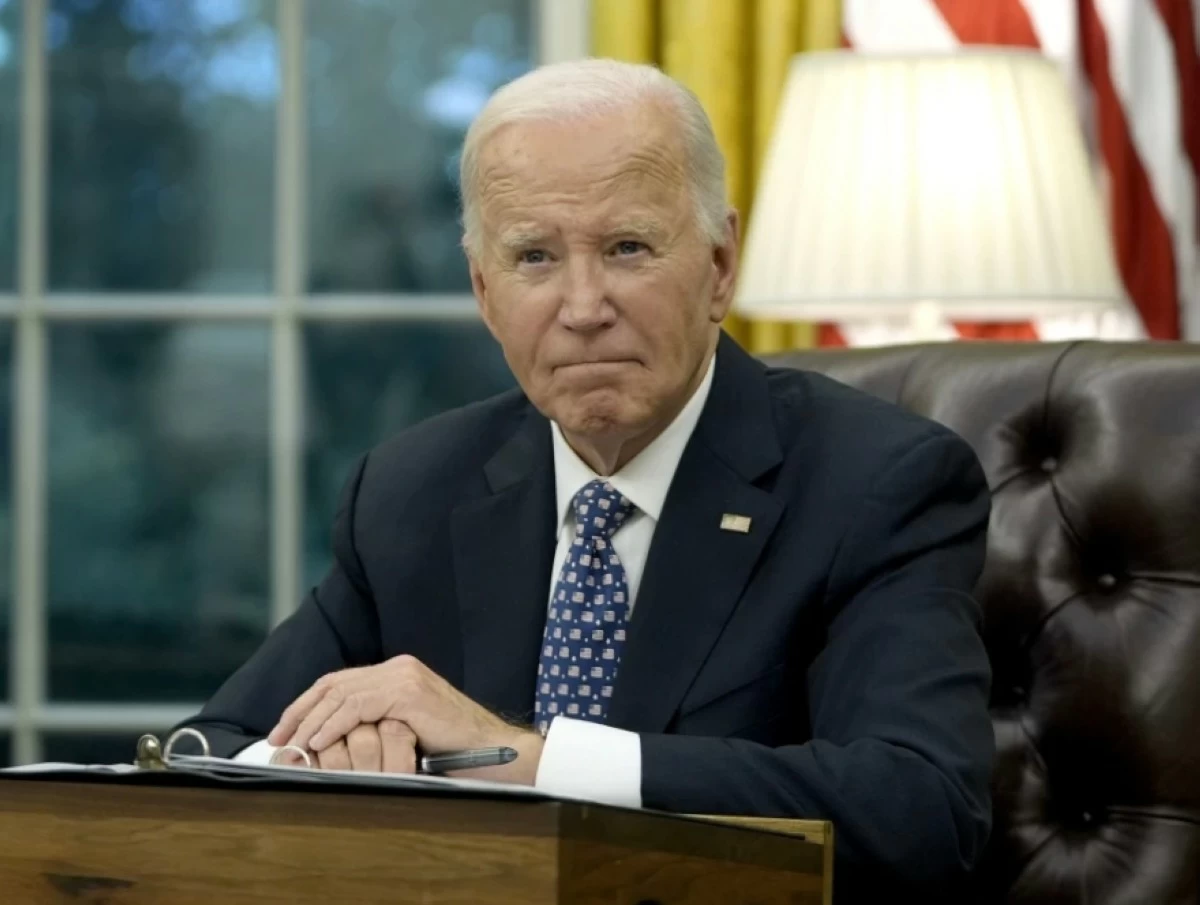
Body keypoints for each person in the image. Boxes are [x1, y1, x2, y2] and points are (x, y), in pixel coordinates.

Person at [177, 59, 995, 900]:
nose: (582, 305)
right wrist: (318, 757)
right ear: (485, 292)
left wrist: (532, 761)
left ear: (719, 263)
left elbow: (920, 810)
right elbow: (212, 749)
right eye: (534, 256)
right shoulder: (413, 488)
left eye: (626, 248)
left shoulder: (876, 483)